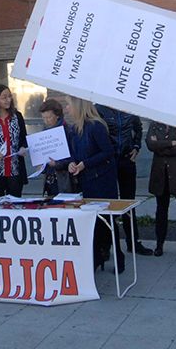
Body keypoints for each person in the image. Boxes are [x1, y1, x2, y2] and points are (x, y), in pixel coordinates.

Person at [63, 97, 119, 269]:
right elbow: (73, 152)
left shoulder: (96, 126)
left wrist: (85, 164)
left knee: (106, 221)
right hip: (85, 180)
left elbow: (107, 151)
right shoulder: (75, 128)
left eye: (69, 104)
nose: (66, 108)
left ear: (78, 106)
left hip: (101, 181)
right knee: (91, 222)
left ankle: (116, 254)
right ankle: (96, 257)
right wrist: (71, 162)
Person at [95, 104, 152, 256]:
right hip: (109, 161)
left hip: (127, 160)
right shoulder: (99, 109)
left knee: (128, 203)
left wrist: (136, 146)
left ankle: (133, 242)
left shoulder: (128, 108)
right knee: (108, 204)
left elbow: (138, 128)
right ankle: (106, 245)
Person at [146, 121, 176, 258]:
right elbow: (150, 144)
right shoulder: (155, 125)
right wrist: (170, 143)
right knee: (161, 210)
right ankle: (159, 243)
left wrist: (160, 145)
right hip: (161, 175)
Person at [38, 98, 75, 197]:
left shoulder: (68, 131)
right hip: (49, 179)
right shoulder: (44, 131)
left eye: (49, 117)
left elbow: (74, 157)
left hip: (64, 179)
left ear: (57, 116)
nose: (46, 121)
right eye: (43, 118)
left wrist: (57, 163)